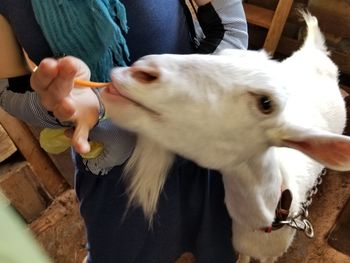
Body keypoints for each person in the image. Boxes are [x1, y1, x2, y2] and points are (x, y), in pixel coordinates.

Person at [0, 1, 248, 262]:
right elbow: (8, 91)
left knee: (219, 247)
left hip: (203, 153)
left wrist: (140, 102)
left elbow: (230, 30)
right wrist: (63, 106)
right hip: (117, 179)